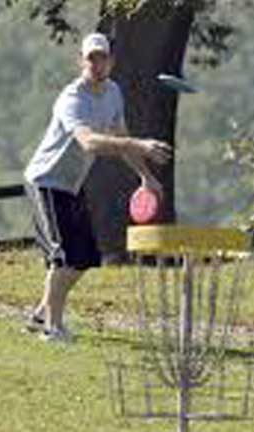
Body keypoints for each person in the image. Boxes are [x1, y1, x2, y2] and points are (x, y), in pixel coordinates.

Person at [23, 32, 172, 342]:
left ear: (111, 62)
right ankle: (53, 328)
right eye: (90, 58)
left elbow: (120, 139)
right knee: (64, 256)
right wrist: (141, 144)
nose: (96, 63)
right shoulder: (72, 98)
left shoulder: (113, 93)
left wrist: (145, 176)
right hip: (45, 181)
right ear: (81, 61)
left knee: (87, 257)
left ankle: (41, 314)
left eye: (101, 57)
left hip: (72, 186)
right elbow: (89, 142)